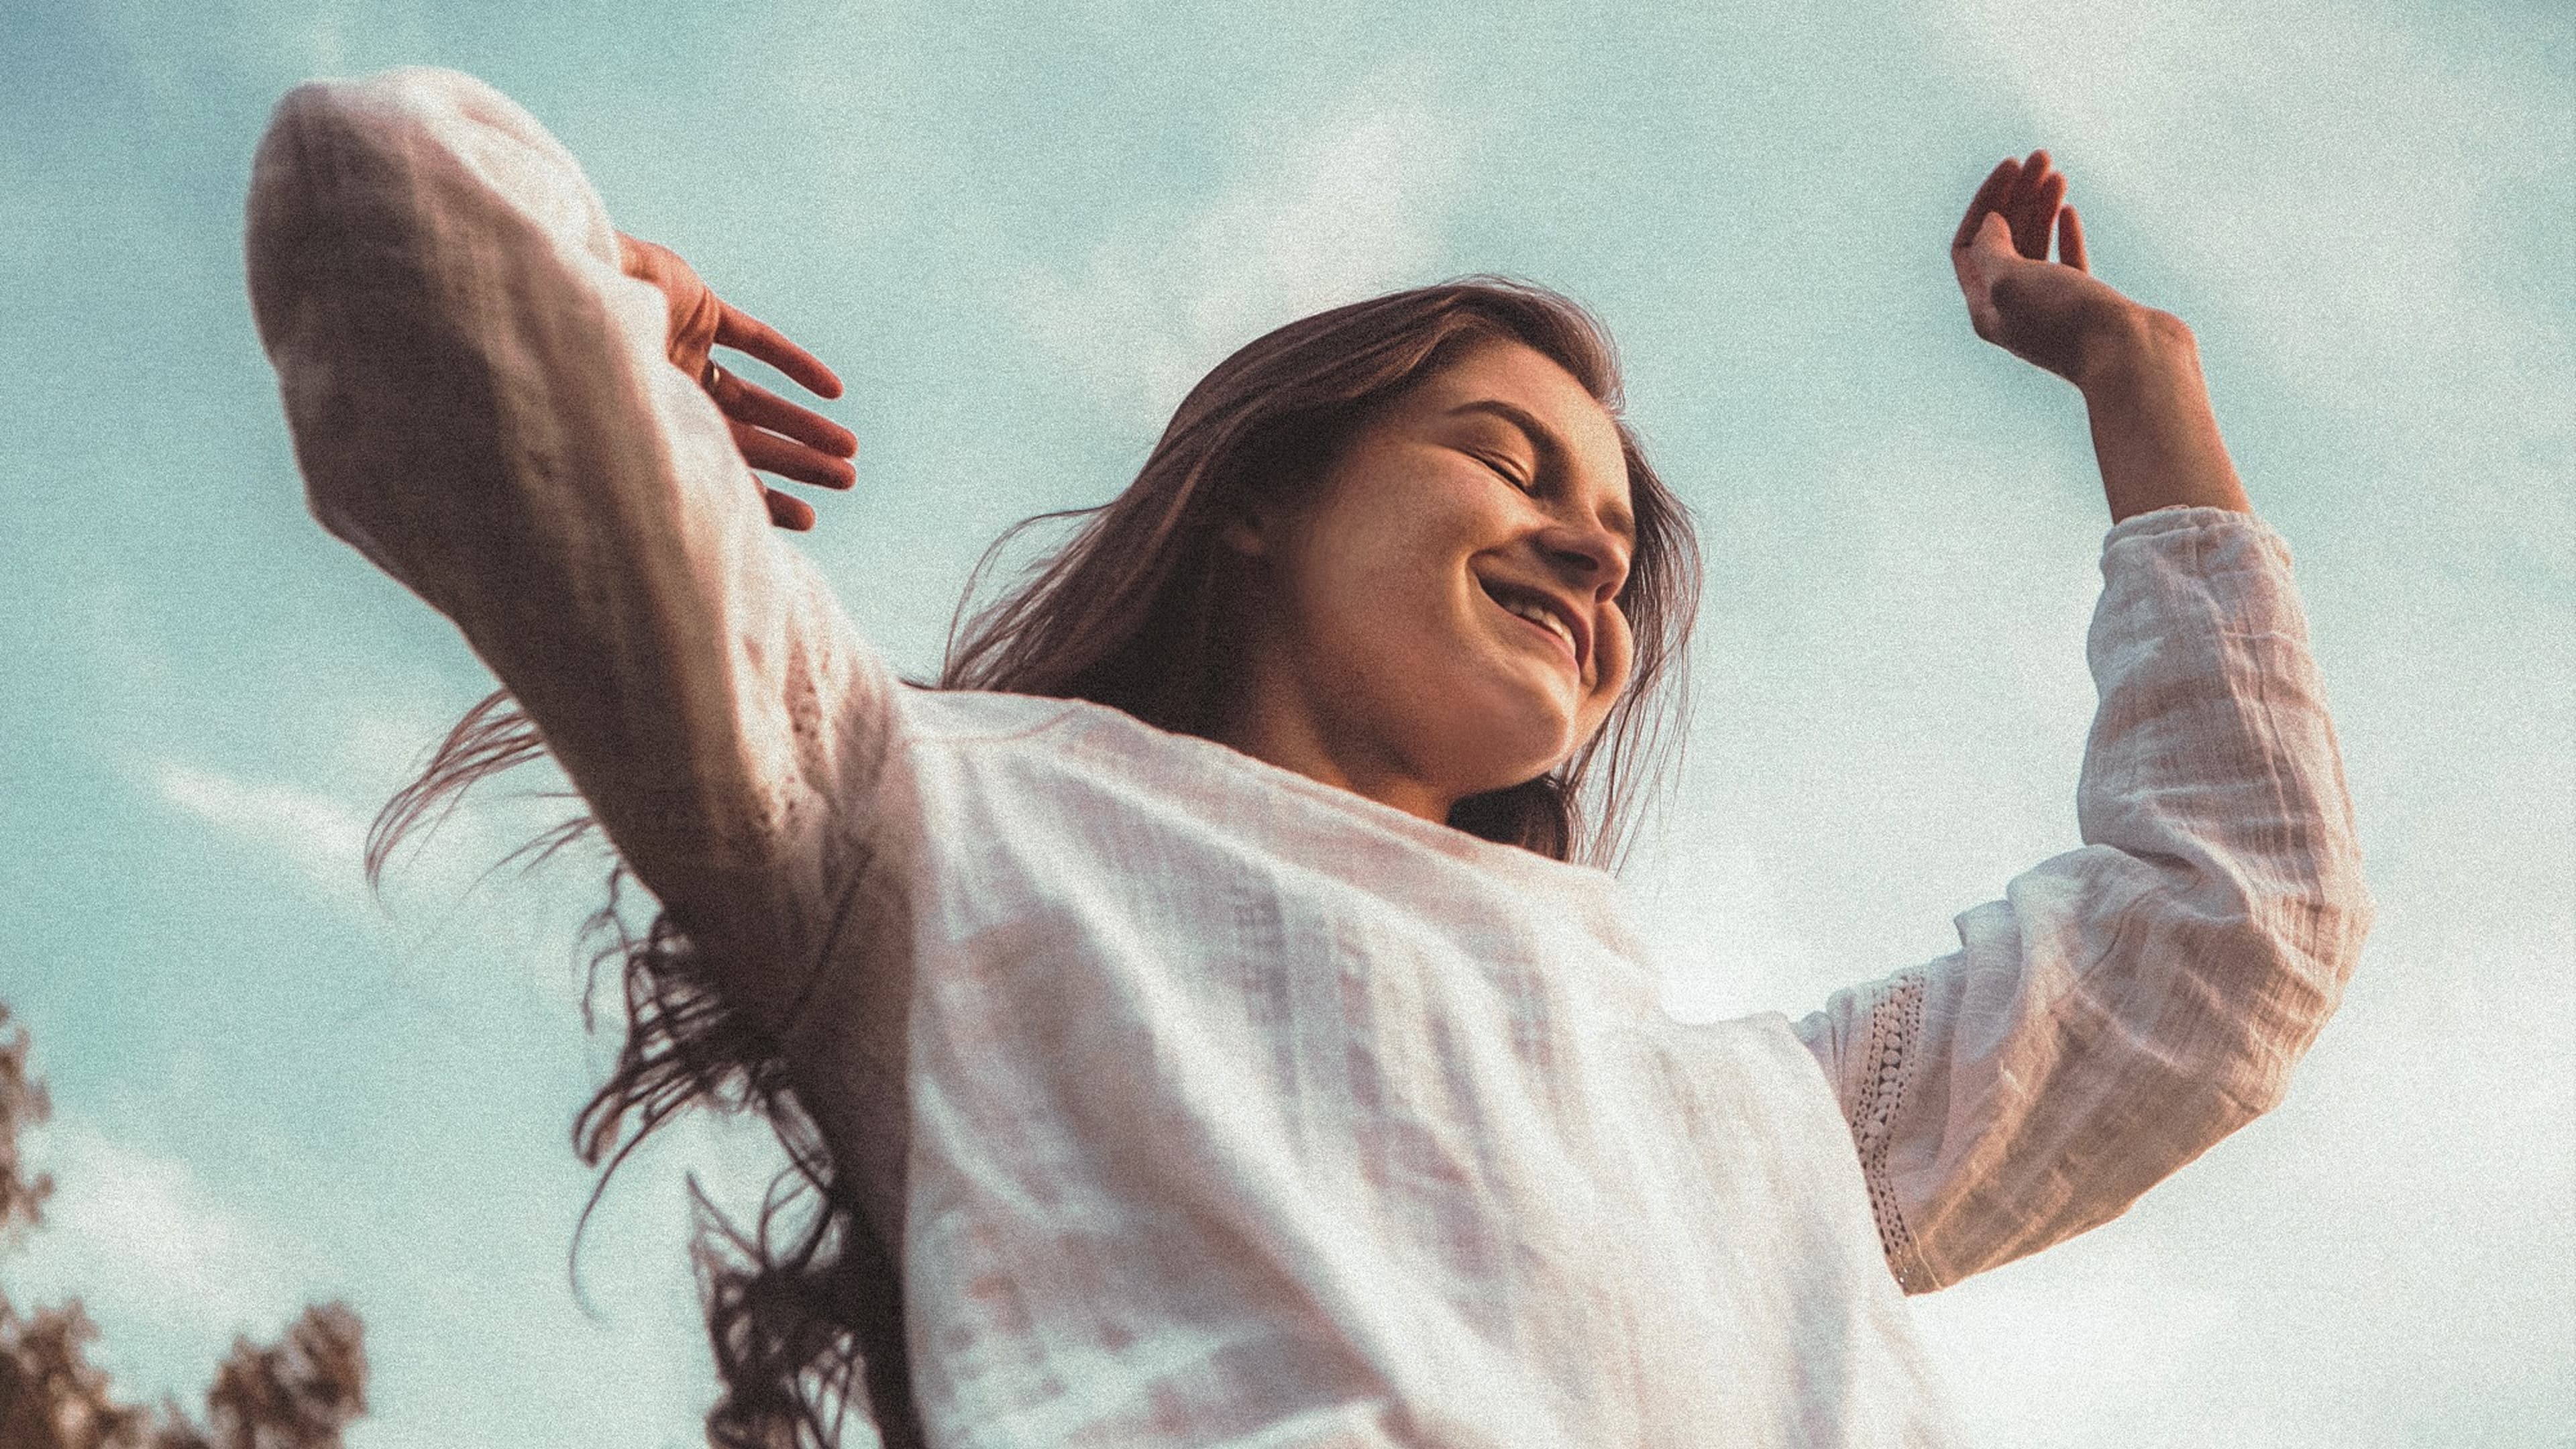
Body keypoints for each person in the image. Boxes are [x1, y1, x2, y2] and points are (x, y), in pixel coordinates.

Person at [244, 66, 2371, 1449]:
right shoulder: (936, 822)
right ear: (1262, 494)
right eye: (1506, 458)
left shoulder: (1753, 1119)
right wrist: (622, 325)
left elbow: (2225, 940)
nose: (1583, 552)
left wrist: (2140, 381)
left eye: (1618, 548)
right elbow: (385, 217)